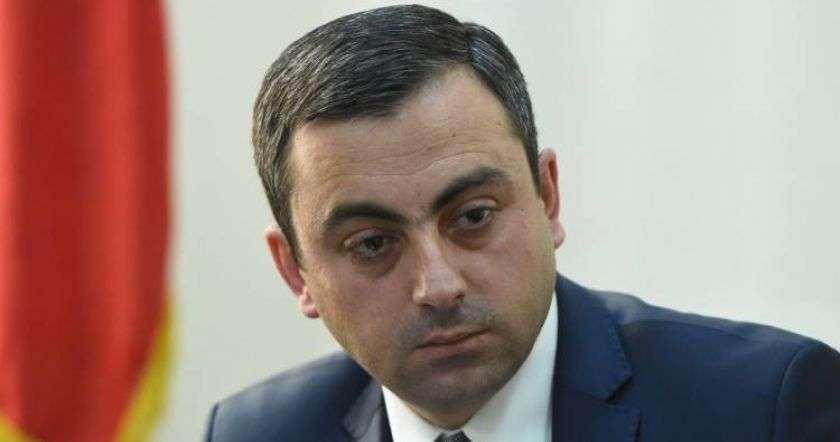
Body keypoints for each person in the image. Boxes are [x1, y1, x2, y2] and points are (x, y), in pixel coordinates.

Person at [204, 5, 840, 441]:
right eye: (372, 244)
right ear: (296, 273)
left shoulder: (764, 409)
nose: (438, 286)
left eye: (473, 217)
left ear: (547, 197)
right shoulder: (253, 433)